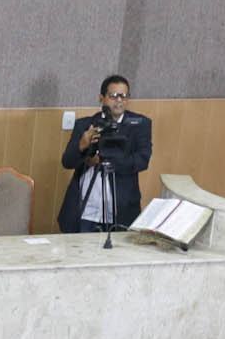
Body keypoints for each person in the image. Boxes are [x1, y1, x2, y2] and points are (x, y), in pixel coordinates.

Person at [57, 74, 153, 234]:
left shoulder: (140, 124)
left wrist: (107, 159)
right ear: (101, 98)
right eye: (113, 95)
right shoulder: (85, 125)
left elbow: (142, 161)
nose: (119, 100)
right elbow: (67, 162)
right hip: (85, 209)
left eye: (124, 96)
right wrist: (82, 147)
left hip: (120, 209)